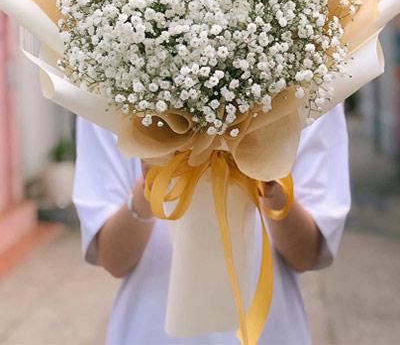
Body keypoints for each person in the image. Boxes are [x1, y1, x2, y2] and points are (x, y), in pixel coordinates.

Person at [72, 102, 350, 345]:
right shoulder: (106, 91)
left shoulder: (310, 89)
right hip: (153, 326)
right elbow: (113, 258)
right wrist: (151, 186)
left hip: (267, 328)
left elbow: (307, 254)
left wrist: (272, 184)